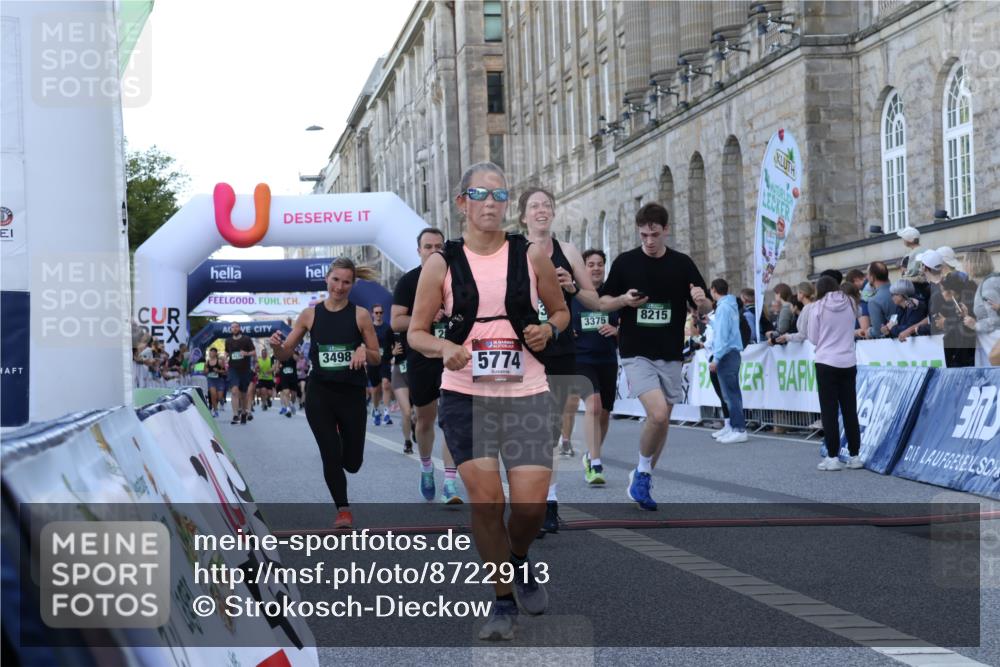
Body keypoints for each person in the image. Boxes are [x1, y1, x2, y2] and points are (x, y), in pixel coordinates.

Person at [408, 162, 565, 640]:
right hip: (466, 397)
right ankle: (501, 602)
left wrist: (548, 328)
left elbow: (560, 311)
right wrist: (445, 348)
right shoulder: (441, 263)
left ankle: (517, 560)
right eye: (481, 193)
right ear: (463, 203)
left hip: (527, 393)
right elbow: (416, 332)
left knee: (532, 508)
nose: (492, 203)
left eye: (500, 195)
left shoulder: (532, 255)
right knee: (487, 502)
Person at [598, 202, 711, 511]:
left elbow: (705, 305)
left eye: (654, 235)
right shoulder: (625, 263)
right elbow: (602, 302)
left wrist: (702, 302)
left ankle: (642, 474)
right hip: (636, 352)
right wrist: (623, 300)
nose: (648, 241)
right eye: (644, 235)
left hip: (671, 353)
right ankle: (643, 472)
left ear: (666, 231)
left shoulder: (682, 263)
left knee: (663, 422)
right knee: (658, 414)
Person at [269, 258, 382, 529]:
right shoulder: (310, 315)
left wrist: (363, 351)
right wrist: (276, 348)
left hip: (351, 393)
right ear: (326, 279)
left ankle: (346, 452)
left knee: (352, 463)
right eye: (335, 280)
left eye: (346, 282)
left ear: (352, 284)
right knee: (330, 453)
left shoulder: (361, 315)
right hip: (320, 393)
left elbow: (378, 357)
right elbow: (286, 352)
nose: (340, 287)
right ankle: (343, 510)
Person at [518, 186, 601, 535]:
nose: (541, 210)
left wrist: (570, 289)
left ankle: (548, 502)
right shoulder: (512, 252)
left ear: (553, 212)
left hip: (561, 347)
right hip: (524, 349)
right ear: (523, 215)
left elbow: (594, 300)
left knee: (548, 432)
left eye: (546, 205)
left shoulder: (567, 251)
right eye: (534, 206)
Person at [391, 227, 464, 504]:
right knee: (425, 419)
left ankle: (450, 482)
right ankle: (425, 468)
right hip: (422, 357)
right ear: (419, 251)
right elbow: (396, 321)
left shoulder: (457, 278)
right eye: (428, 247)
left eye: (438, 247)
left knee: (453, 419)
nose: (434, 251)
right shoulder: (410, 281)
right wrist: (426, 317)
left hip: (453, 357)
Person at [572, 249, 620, 485]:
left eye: (600, 264)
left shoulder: (613, 296)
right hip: (581, 359)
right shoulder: (573, 295)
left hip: (607, 359)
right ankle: (596, 463)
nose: (596, 268)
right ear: (583, 268)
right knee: (594, 404)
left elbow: (627, 323)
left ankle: (591, 454)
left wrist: (617, 330)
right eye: (590, 264)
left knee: (604, 412)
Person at [808, 276, 862, 471]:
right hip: (848, 360)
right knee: (849, 409)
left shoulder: (818, 307)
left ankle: (832, 456)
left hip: (826, 361)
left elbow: (813, 337)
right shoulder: (850, 302)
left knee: (829, 411)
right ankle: (855, 455)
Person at [708, 279, 748, 444]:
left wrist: (716, 359)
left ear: (713, 290)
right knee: (731, 394)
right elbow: (725, 329)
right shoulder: (729, 305)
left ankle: (739, 429)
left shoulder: (723, 307)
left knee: (730, 395)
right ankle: (733, 427)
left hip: (726, 355)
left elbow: (723, 336)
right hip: (731, 353)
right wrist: (710, 321)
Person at [962, 249, 1000, 366]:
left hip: (994, 346)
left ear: (974, 264)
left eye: (966, 262)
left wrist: (975, 325)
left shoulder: (989, 284)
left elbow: (994, 322)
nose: (964, 266)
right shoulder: (989, 282)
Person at [366, 305, 394, 426]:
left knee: (386, 384)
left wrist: (393, 355)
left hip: (385, 361)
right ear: (372, 314)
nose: (378, 315)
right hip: (372, 361)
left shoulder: (388, 328)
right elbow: (363, 344)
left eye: (380, 312)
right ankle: (376, 410)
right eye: (376, 313)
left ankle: (387, 413)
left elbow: (393, 343)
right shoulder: (369, 328)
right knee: (375, 389)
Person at [389, 333, 416, 454]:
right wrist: (392, 353)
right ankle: (407, 441)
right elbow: (382, 355)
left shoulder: (421, 325)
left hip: (417, 371)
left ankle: (415, 427)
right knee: (407, 412)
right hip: (400, 371)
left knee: (417, 414)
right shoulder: (390, 330)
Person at [225, 323, 256, 424]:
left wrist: (246, 353)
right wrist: (225, 357)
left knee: (243, 394)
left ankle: (243, 412)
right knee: (234, 391)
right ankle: (235, 415)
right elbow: (226, 352)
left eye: (236, 327)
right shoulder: (228, 341)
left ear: (239, 328)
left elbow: (254, 352)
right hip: (233, 369)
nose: (234, 329)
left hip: (244, 369)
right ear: (231, 329)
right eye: (232, 327)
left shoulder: (246, 339)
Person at [866, 261, 893, 339]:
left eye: (868, 274)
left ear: (872, 277)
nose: (867, 277)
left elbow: (878, 332)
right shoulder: (900, 290)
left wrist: (869, 332)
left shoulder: (874, 300)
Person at [205, 347, 226, 418]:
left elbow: (225, 371)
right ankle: (216, 411)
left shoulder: (219, 361)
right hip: (211, 380)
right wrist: (206, 371)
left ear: (216, 353)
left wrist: (218, 371)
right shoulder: (207, 362)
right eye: (211, 352)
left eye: (213, 352)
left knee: (219, 397)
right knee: (213, 396)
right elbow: (205, 371)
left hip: (219, 380)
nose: (212, 353)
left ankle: (222, 402)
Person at [277, 349, 298, 417]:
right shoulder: (282, 354)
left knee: (293, 395)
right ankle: (288, 409)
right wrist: (277, 367)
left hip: (293, 377)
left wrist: (291, 352)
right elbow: (278, 362)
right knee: (286, 392)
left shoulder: (294, 352)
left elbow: (297, 358)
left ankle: (291, 404)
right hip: (284, 377)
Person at [256, 345, 275, 410]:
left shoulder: (269, 360)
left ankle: (268, 399)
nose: (264, 354)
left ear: (266, 354)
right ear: (261, 354)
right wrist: (258, 369)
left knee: (269, 393)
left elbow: (273, 367)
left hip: (269, 379)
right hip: (262, 379)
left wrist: (270, 370)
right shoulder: (259, 360)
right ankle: (264, 404)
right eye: (263, 353)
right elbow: (257, 369)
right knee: (263, 391)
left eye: (265, 353)